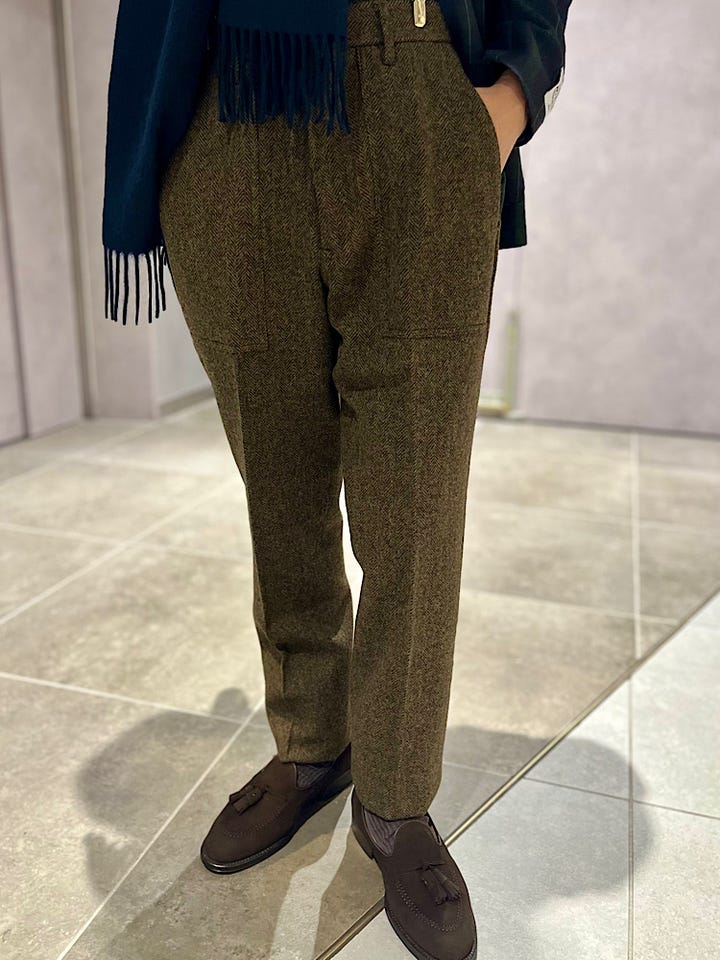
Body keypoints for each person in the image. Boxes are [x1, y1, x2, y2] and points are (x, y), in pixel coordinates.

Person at [102, 2, 571, 958]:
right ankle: (312, 745)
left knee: (415, 503)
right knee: (277, 488)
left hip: (418, 90)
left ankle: (396, 798)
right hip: (226, 108)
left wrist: (510, 97)